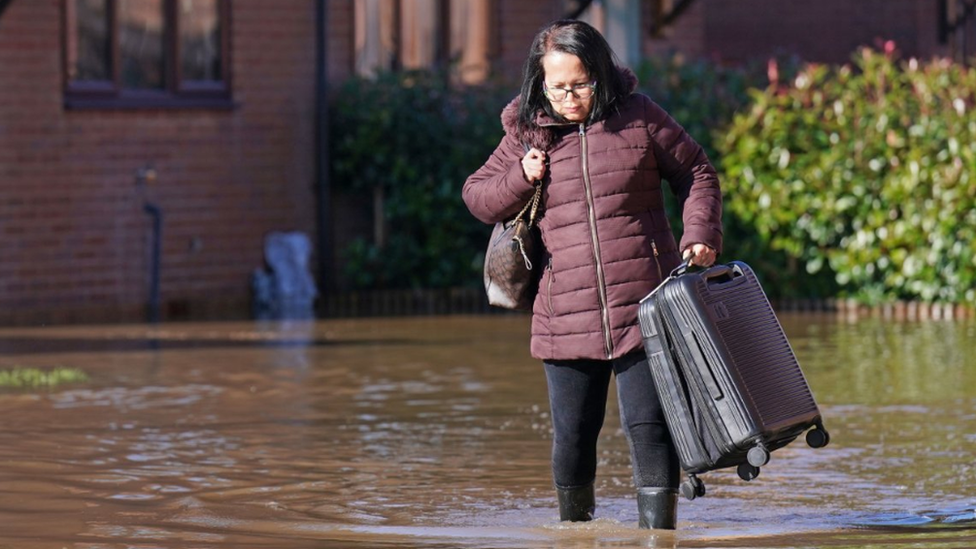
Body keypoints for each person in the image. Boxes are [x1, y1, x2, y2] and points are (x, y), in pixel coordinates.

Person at [462, 20, 722, 529]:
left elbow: (696, 172)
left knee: (650, 428)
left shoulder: (639, 117)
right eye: (557, 87)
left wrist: (701, 234)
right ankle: (573, 534)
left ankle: (658, 536)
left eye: (581, 84)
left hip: (647, 304)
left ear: (601, 74)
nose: (570, 97)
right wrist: (521, 175)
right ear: (541, 84)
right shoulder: (526, 131)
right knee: (574, 435)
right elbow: (477, 196)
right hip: (565, 312)